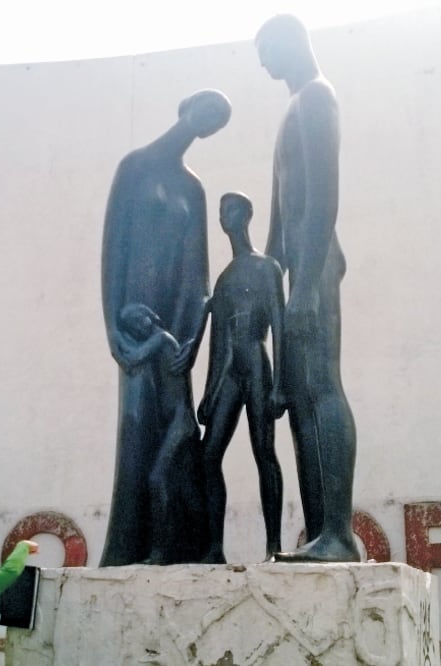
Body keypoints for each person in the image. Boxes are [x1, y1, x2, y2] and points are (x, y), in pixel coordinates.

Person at [100, 89, 232, 566]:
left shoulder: (193, 189)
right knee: (137, 427)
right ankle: (126, 547)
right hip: (134, 324)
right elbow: (113, 251)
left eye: (216, 122)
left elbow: (198, 275)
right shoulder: (134, 167)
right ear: (187, 106)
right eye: (208, 110)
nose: (208, 122)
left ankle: (180, 545)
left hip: (174, 334)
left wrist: (191, 338)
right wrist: (112, 324)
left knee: (174, 442)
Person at [255, 14, 361, 562]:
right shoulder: (293, 107)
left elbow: (323, 196)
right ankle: (321, 531)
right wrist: (266, 280)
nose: (264, 64)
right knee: (298, 399)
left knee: (321, 389)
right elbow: (279, 216)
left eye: (267, 51)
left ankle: (339, 533)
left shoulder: (318, 96)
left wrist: (303, 289)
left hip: (314, 267)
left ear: (291, 39)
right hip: (295, 270)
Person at [198, 192, 286, 563]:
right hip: (229, 371)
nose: (224, 216)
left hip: (256, 362)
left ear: (247, 215)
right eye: (221, 211)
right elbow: (217, 341)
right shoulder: (224, 279)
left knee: (263, 451)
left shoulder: (266, 267)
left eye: (230, 209)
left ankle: (273, 545)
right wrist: (209, 393)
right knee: (208, 456)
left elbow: (279, 325)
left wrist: (281, 385)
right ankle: (214, 548)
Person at [118, 302, 203, 564]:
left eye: (138, 318)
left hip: (181, 423)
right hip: (173, 424)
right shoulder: (157, 341)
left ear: (150, 315)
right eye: (131, 325)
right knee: (187, 489)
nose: (137, 326)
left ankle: (161, 551)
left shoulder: (163, 338)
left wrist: (117, 336)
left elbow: (133, 358)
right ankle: (198, 546)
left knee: (157, 479)